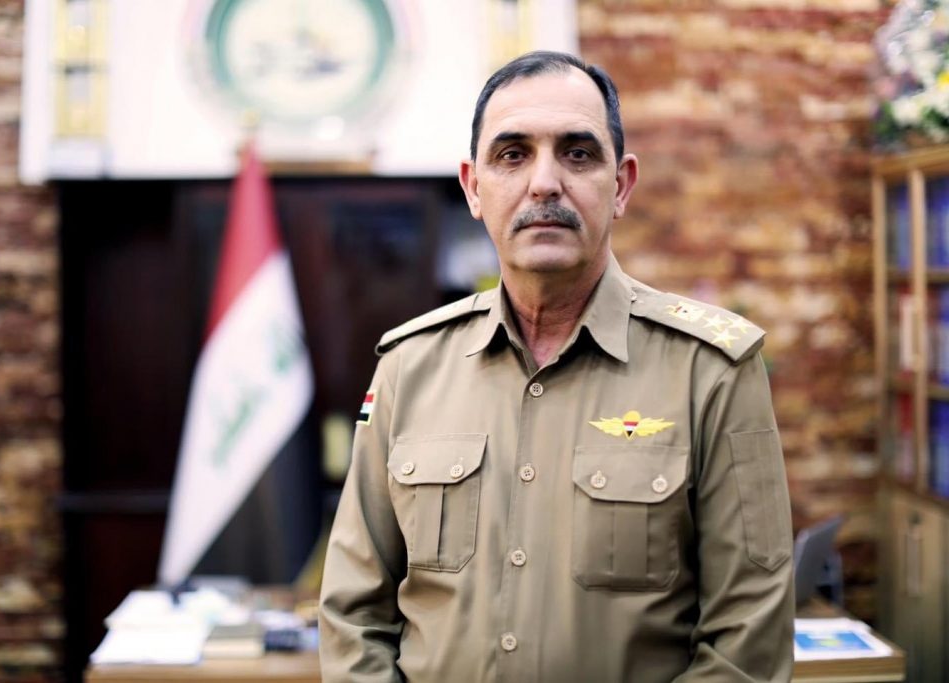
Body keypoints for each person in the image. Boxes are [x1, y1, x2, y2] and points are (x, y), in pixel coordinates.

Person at [319, 50, 794, 682]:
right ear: (473, 187)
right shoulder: (410, 368)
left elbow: (747, 643)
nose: (545, 182)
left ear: (620, 185)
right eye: (513, 154)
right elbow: (354, 615)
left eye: (577, 153)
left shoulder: (710, 371)